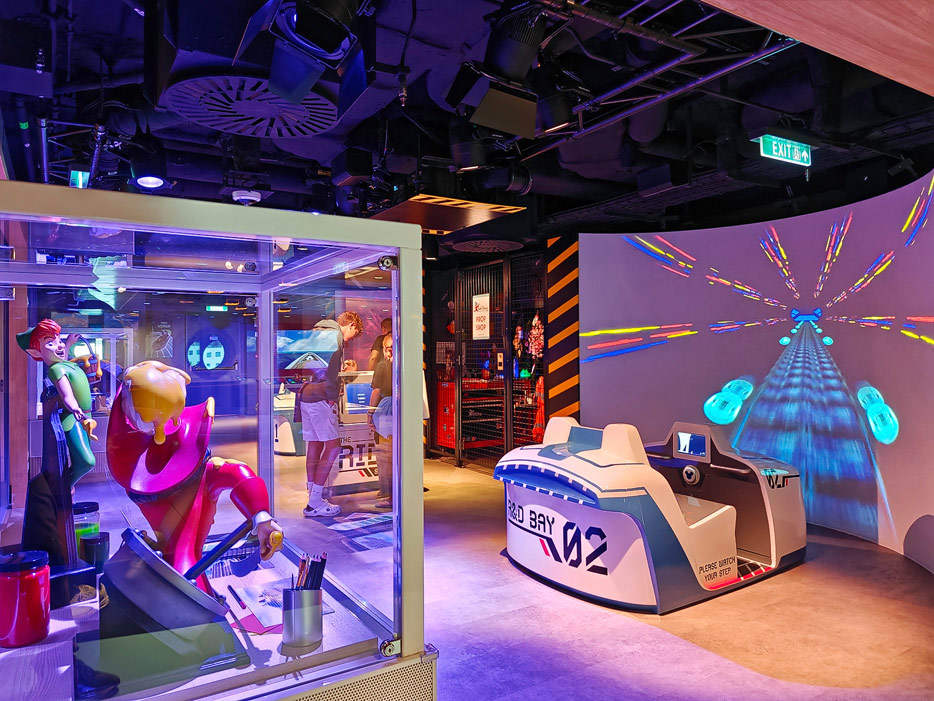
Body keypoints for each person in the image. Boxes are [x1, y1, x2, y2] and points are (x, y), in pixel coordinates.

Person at [17, 319, 96, 485]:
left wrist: (68, 344)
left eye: (58, 340)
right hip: (74, 419)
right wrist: (76, 409)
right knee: (87, 462)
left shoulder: (63, 364)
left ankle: (64, 488)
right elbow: (67, 395)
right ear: (36, 352)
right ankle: (64, 487)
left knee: (82, 461)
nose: (58, 346)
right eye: (50, 343)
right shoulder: (55, 369)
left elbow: (63, 359)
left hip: (85, 417)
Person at [300, 311, 364, 517]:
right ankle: (315, 502)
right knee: (333, 446)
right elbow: (329, 372)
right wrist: (332, 395)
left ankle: (313, 496)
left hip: (306, 394)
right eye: (354, 334)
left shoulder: (317, 330)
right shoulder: (334, 335)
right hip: (321, 396)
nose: (350, 340)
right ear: (351, 325)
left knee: (315, 445)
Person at [367, 334, 394, 509]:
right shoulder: (406, 366)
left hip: (386, 412)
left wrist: (369, 413)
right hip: (403, 410)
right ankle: (397, 493)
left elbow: (376, 391)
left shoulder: (382, 366)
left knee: (386, 455)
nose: (388, 352)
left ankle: (388, 494)